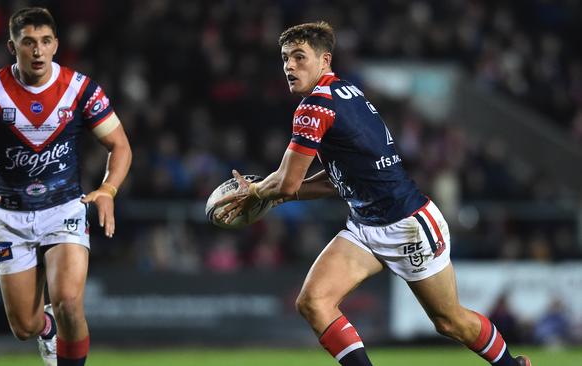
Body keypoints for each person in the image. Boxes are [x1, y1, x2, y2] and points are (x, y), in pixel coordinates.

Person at [215, 21, 530, 366]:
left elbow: (288, 183)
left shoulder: (314, 108)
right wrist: (269, 194)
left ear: (325, 61)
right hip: (366, 224)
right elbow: (336, 180)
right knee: (313, 301)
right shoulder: (345, 92)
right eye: (285, 58)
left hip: (408, 224)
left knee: (450, 321)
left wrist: (256, 191)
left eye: (299, 57)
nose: (290, 66)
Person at [0, 7, 132, 366]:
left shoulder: (80, 90)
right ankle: (46, 330)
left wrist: (108, 190)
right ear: (11, 46)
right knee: (24, 327)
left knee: (68, 301)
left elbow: (120, 145)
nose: (37, 50)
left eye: (45, 41)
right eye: (28, 42)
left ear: (56, 45)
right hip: (10, 215)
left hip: (64, 209)